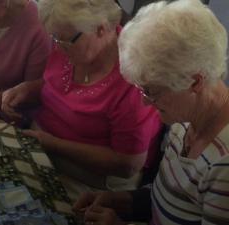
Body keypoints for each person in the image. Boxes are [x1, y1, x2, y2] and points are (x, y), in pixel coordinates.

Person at [74, 0, 229, 224]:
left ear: (194, 82)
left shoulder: (224, 165)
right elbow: (166, 199)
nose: (145, 102)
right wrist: (118, 200)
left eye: (151, 91)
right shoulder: (183, 121)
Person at [1, 0, 162, 197]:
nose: (59, 48)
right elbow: (60, 88)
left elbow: (127, 164)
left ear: (100, 29)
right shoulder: (71, 42)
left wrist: (54, 145)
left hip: (90, 182)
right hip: (40, 149)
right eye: (55, 38)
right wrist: (28, 90)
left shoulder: (133, 78)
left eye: (65, 41)